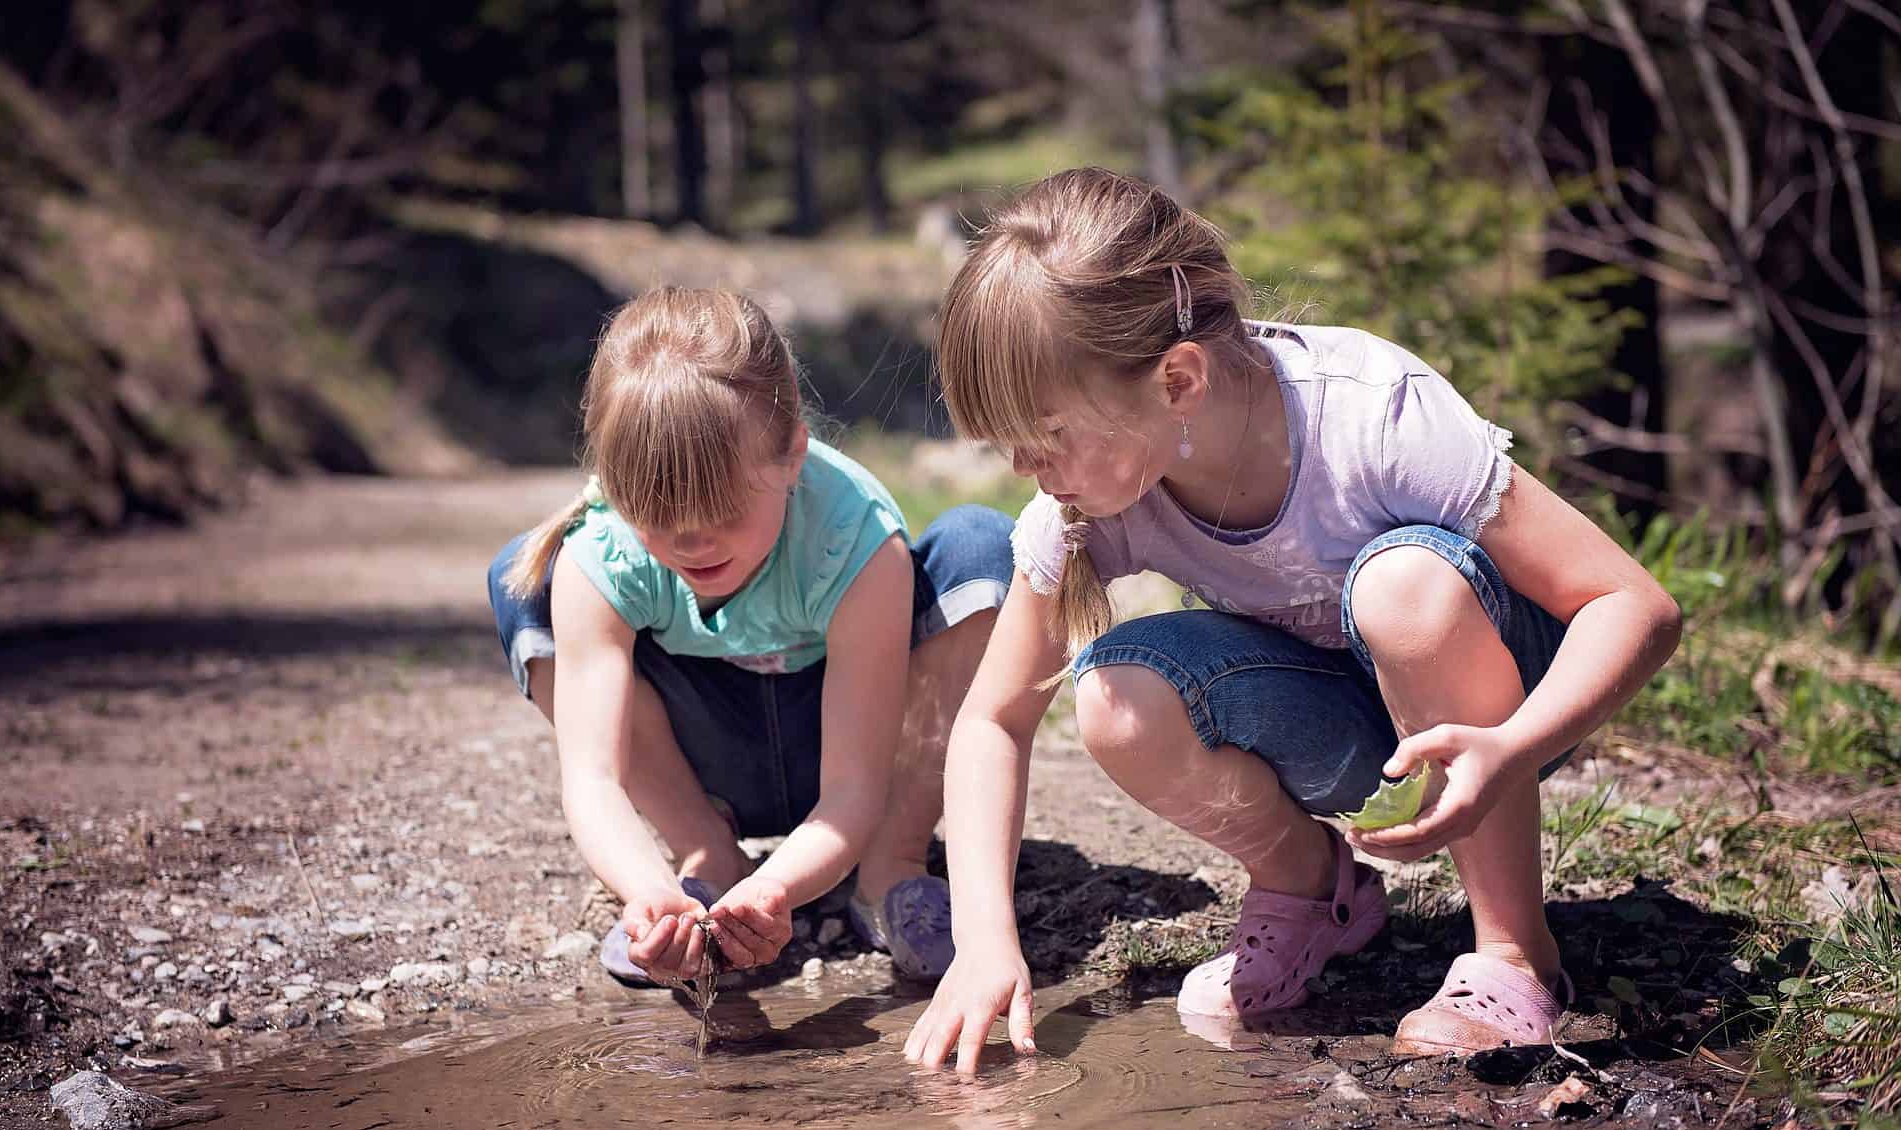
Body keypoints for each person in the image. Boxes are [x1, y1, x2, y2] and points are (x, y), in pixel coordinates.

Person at [902, 168, 1682, 1072]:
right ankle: (1314, 892)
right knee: (1115, 695)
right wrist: (985, 939)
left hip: (1492, 715)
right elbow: (994, 719)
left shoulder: (1371, 413)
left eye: (1045, 437)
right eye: (1008, 446)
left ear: (1178, 379)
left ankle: (1514, 951)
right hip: (1358, 740)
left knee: (1403, 591)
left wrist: (1509, 748)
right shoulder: (1091, 505)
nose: (1024, 470)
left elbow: (1636, 605)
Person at [488, 286, 1013, 984]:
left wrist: (779, 891)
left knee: (983, 545)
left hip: (850, 754)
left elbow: (853, 786)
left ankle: (891, 866)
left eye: (723, 510)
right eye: (655, 515)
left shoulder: (852, 540)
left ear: (793, 455)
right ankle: (705, 854)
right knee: (523, 576)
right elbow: (592, 777)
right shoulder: (604, 553)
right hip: (709, 761)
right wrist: (650, 895)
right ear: (614, 488)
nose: (691, 539)